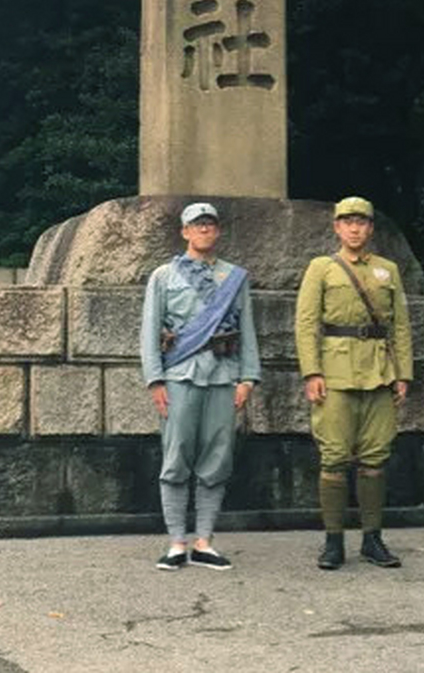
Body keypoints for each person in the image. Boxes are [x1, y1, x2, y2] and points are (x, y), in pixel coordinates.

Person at [139, 201, 261, 571]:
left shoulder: (234, 278)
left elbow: (248, 331)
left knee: (217, 459)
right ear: (185, 232)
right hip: (179, 375)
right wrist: (154, 378)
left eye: (210, 224)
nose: (204, 230)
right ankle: (177, 542)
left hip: (223, 375)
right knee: (175, 458)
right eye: (197, 225)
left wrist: (248, 377)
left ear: (218, 230)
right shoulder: (163, 276)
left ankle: (205, 541)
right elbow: (149, 329)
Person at [294, 196, 413, 570]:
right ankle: (333, 541)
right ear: (336, 227)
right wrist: (312, 371)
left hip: (379, 372)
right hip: (336, 374)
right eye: (347, 222)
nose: (355, 228)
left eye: (361, 222)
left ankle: (372, 538)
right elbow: (307, 323)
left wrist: (403, 373)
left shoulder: (387, 270)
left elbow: (400, 326)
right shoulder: (322, 268)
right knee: (334, 457)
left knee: (375, 458)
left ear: (371, 228)